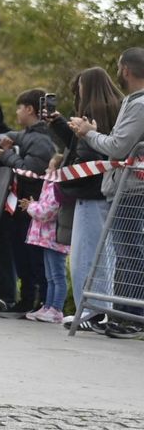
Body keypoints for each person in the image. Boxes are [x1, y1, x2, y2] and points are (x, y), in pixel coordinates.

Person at [68, 48, 144, 338]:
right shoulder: (131, 101)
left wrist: (88, 132)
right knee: (127, 253)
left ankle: (132, 317)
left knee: (130, 253)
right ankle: (125, 314)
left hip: (133, 189)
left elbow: (118, 147)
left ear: (125, 69)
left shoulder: (138, 104)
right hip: (126, 188)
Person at [46, 67, 122, 331]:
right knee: (104, 256)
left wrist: (71, 171)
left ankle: (90, 312)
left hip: (91, 192)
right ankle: (99, 311)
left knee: (85, 256)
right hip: (107, 190)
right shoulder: (117, 107)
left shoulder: (94, 112)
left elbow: (87, 151)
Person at [0, 89, 57, 314]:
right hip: (22, 204)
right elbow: (7, 137)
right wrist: (2, 142)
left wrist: (5, 155)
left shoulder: (42, 140)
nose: (16, 112)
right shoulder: (28, 135)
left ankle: (38, 301)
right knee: (22, 253)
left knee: (33, 257)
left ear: (29, 109)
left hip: (33, 205)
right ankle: (27, 300)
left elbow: (29, 170)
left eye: (19, 108)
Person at [23, 153, 68, 323]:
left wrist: (31, 206)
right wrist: (35, 205)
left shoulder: (57, 188)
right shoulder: (49, 186)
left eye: (50, 167)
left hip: (55, 238)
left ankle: (56, 308)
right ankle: (48, 306)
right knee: (50, 275)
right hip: (47, 238)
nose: (46, 169)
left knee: (57, 275)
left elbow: (46, 212)